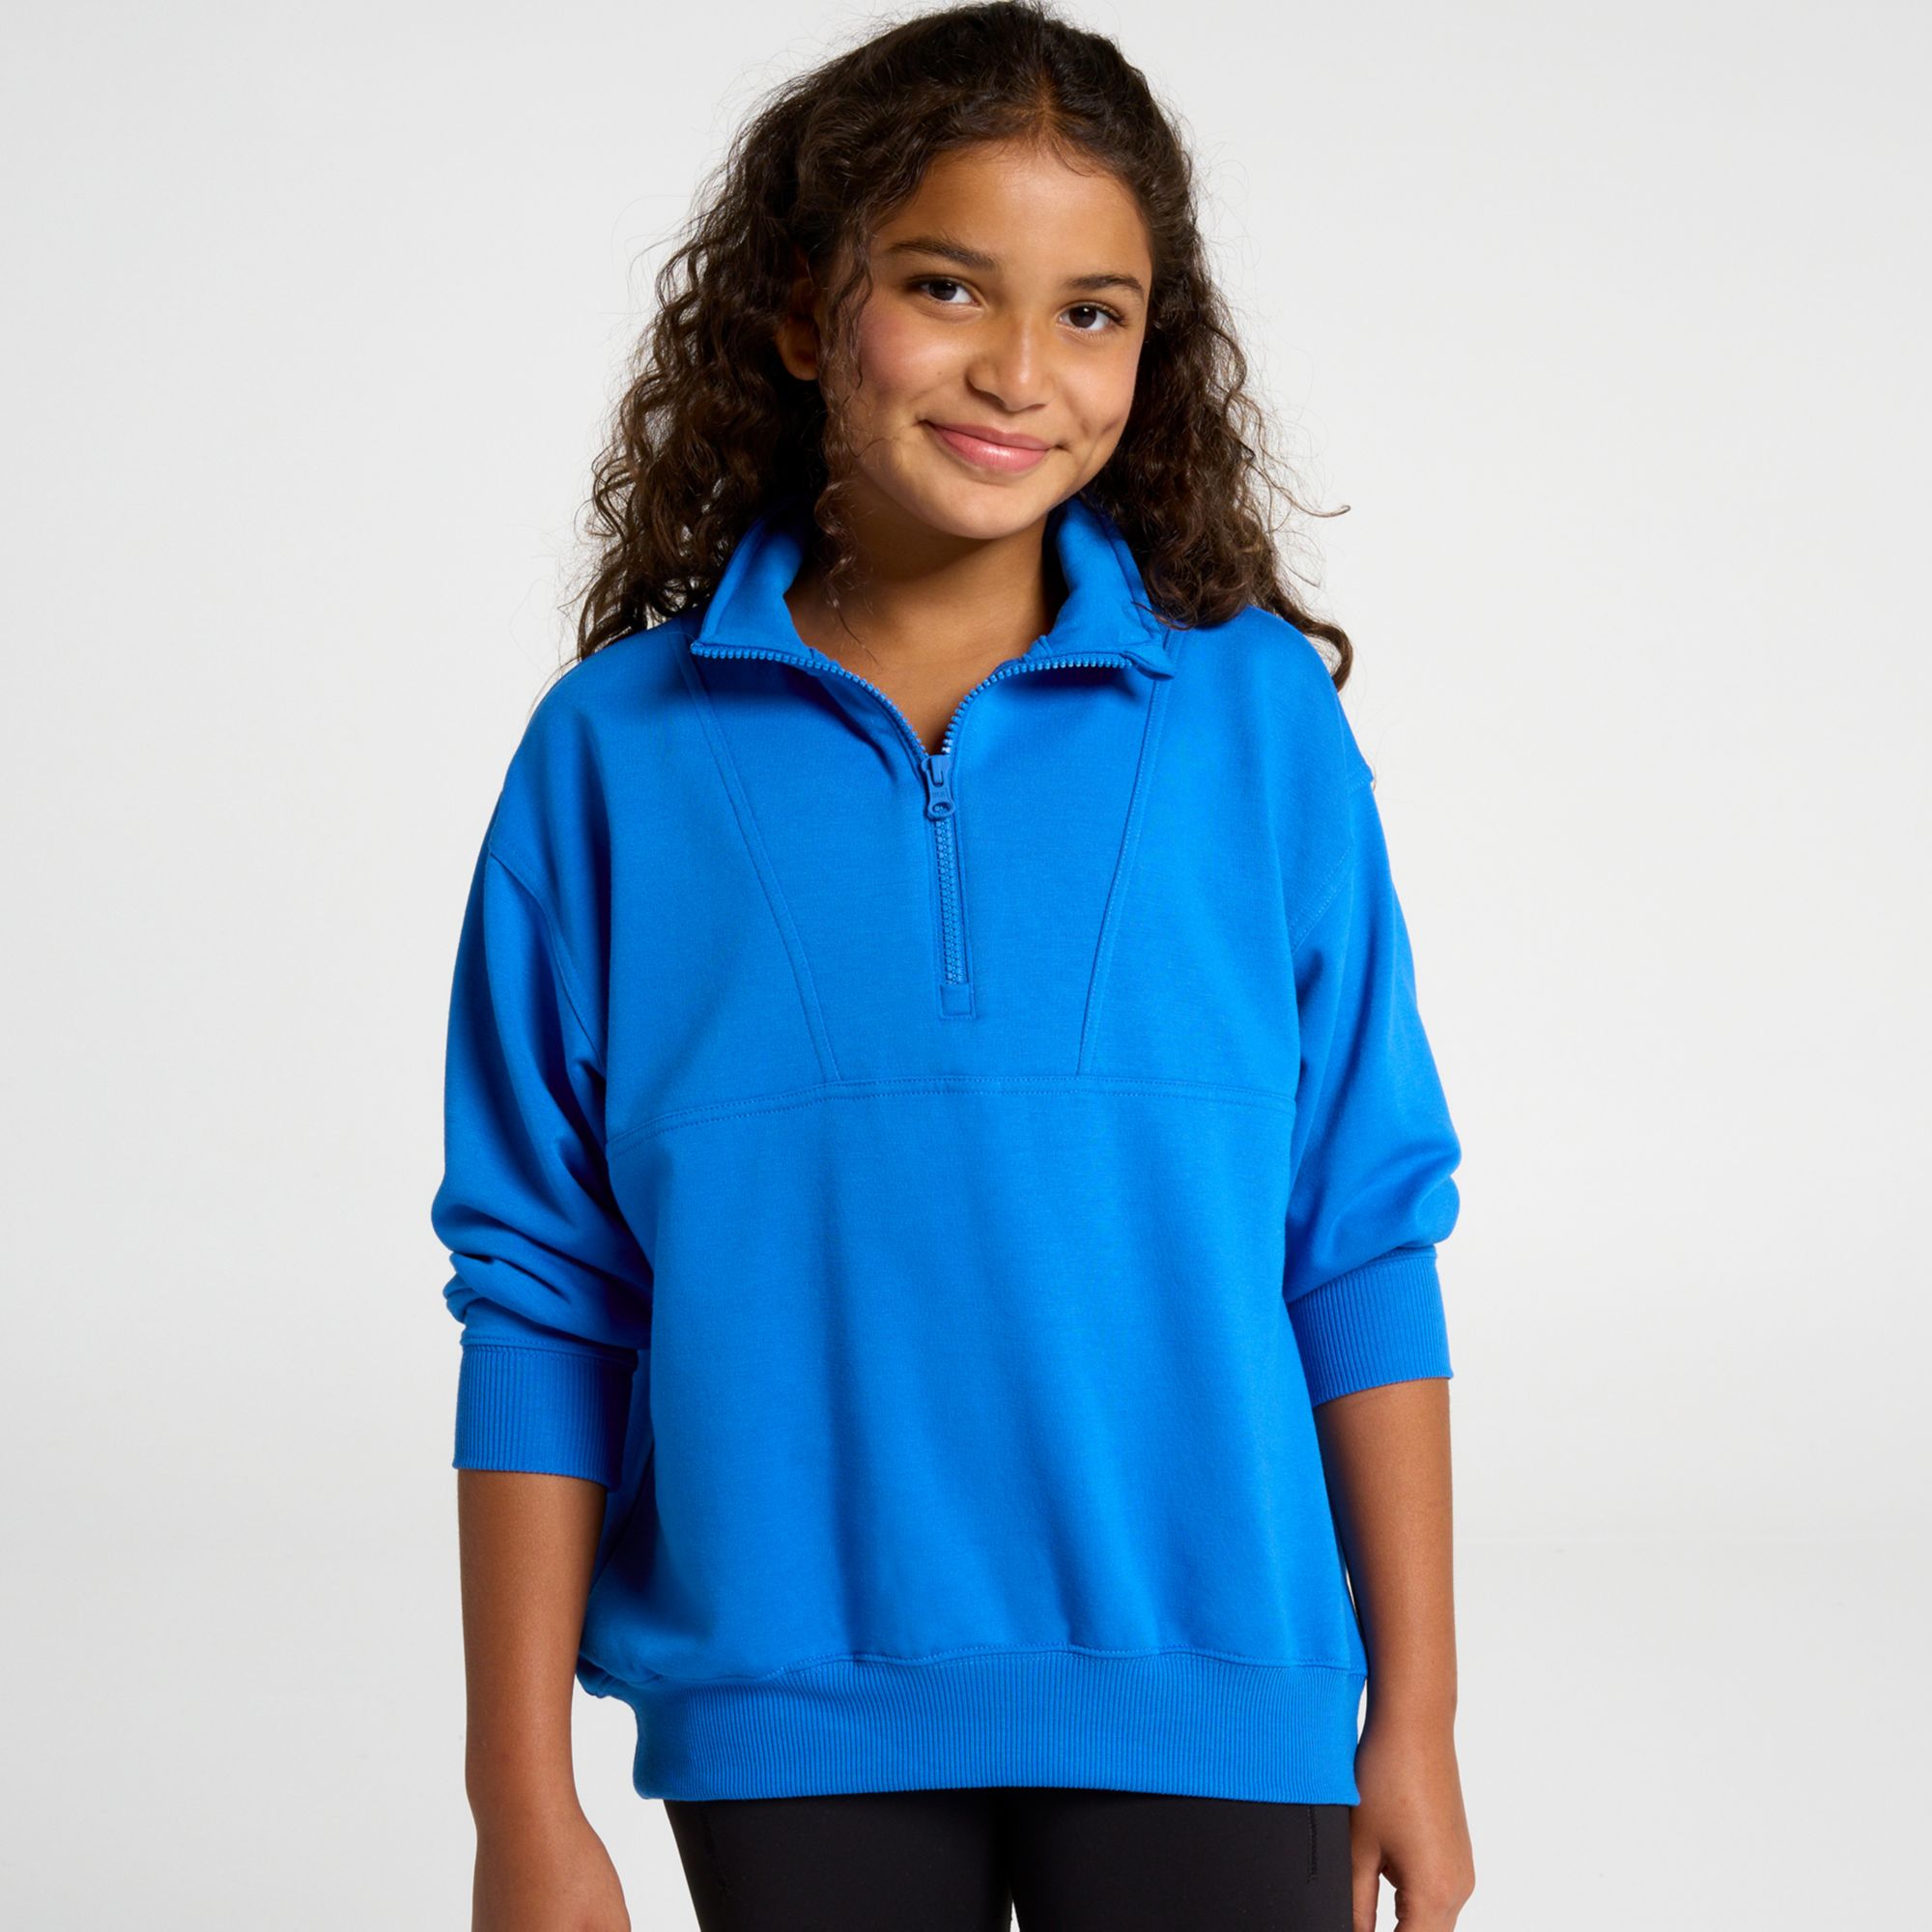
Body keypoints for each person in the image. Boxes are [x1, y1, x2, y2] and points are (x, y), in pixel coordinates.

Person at [429, 5, 1477, 1928]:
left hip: (1218, 1686)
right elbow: (545, 1291)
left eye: (1092, 311)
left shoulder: (1254, 723)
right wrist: (520, 1797)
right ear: (799, 311)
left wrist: (1416, 1711)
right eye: (944, 287)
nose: (1019, 369)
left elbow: (1357, 1234)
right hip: (789, 1707)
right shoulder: (613, 757)